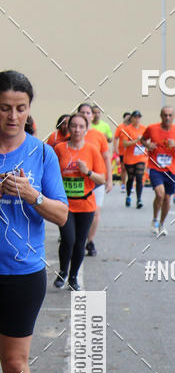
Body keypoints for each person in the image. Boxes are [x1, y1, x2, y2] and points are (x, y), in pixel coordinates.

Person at [0, 70, 68, 373]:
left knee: (14, 362)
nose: (12, 116)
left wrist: (31, 194)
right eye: (5, 108)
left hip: (22, 273)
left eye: (20, 109)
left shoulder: (42, 154)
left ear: (29, 110)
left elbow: (61, 213)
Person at [54, 112, 105, 290]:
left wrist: (87, 172)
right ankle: (62, 272)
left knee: (79, 242)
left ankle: (73, 277)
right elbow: (51, 174)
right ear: (68, 128)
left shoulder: (92, 150)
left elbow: (102, 179)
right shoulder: (59, 149)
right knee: (68, 239)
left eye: (81, 126)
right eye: (73, 126)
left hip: (85, 204)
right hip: (65, 205)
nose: (77, 129)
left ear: (86, 129)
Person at [76, 102, 112, 257]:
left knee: (95, 212)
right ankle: (76, 238)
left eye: (88, 112)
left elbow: (106, 158)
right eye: (82, 112)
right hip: (76, 181)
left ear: (92, 116)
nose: (85, 115)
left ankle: (90, 241)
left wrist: (109, 179)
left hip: (95, 179)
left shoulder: (98, 136)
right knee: (76, 212)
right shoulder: (73, 133)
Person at [141, 105, 175, 235]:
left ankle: (162, 224)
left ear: (174, 117)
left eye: (170, 115)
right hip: (155, 167)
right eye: (165, 115)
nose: (167, 118)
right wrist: (148, 144)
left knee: (167, 198)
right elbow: (142, 139)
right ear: (161, 116)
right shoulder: (152, 128)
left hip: (170, 169)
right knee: (160, 194)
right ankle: (154, 220)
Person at [121, 111, 146, 209]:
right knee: (130, 178)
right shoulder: (127, 129)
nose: (137, 119)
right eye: (135, 117)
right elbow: (125, 144)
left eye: (139, 117)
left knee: (139, 177)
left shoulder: (144, 128)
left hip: (141, 157)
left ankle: (139, 199)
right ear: (131, 118)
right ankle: (128, 196)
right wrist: (136, 141)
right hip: (130, 158)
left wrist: (145, 142)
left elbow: (148, 139)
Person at [113, 112, 131, 191]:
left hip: (131, 152)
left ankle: (130, 184)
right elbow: (115, 138)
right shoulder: (120, 127)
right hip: (122, 151)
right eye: (126, 117)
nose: (128, 119)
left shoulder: (132, 127)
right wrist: (115, 148)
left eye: (129, 117)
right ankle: (123, 183)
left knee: (131, 169)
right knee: (123, 168)